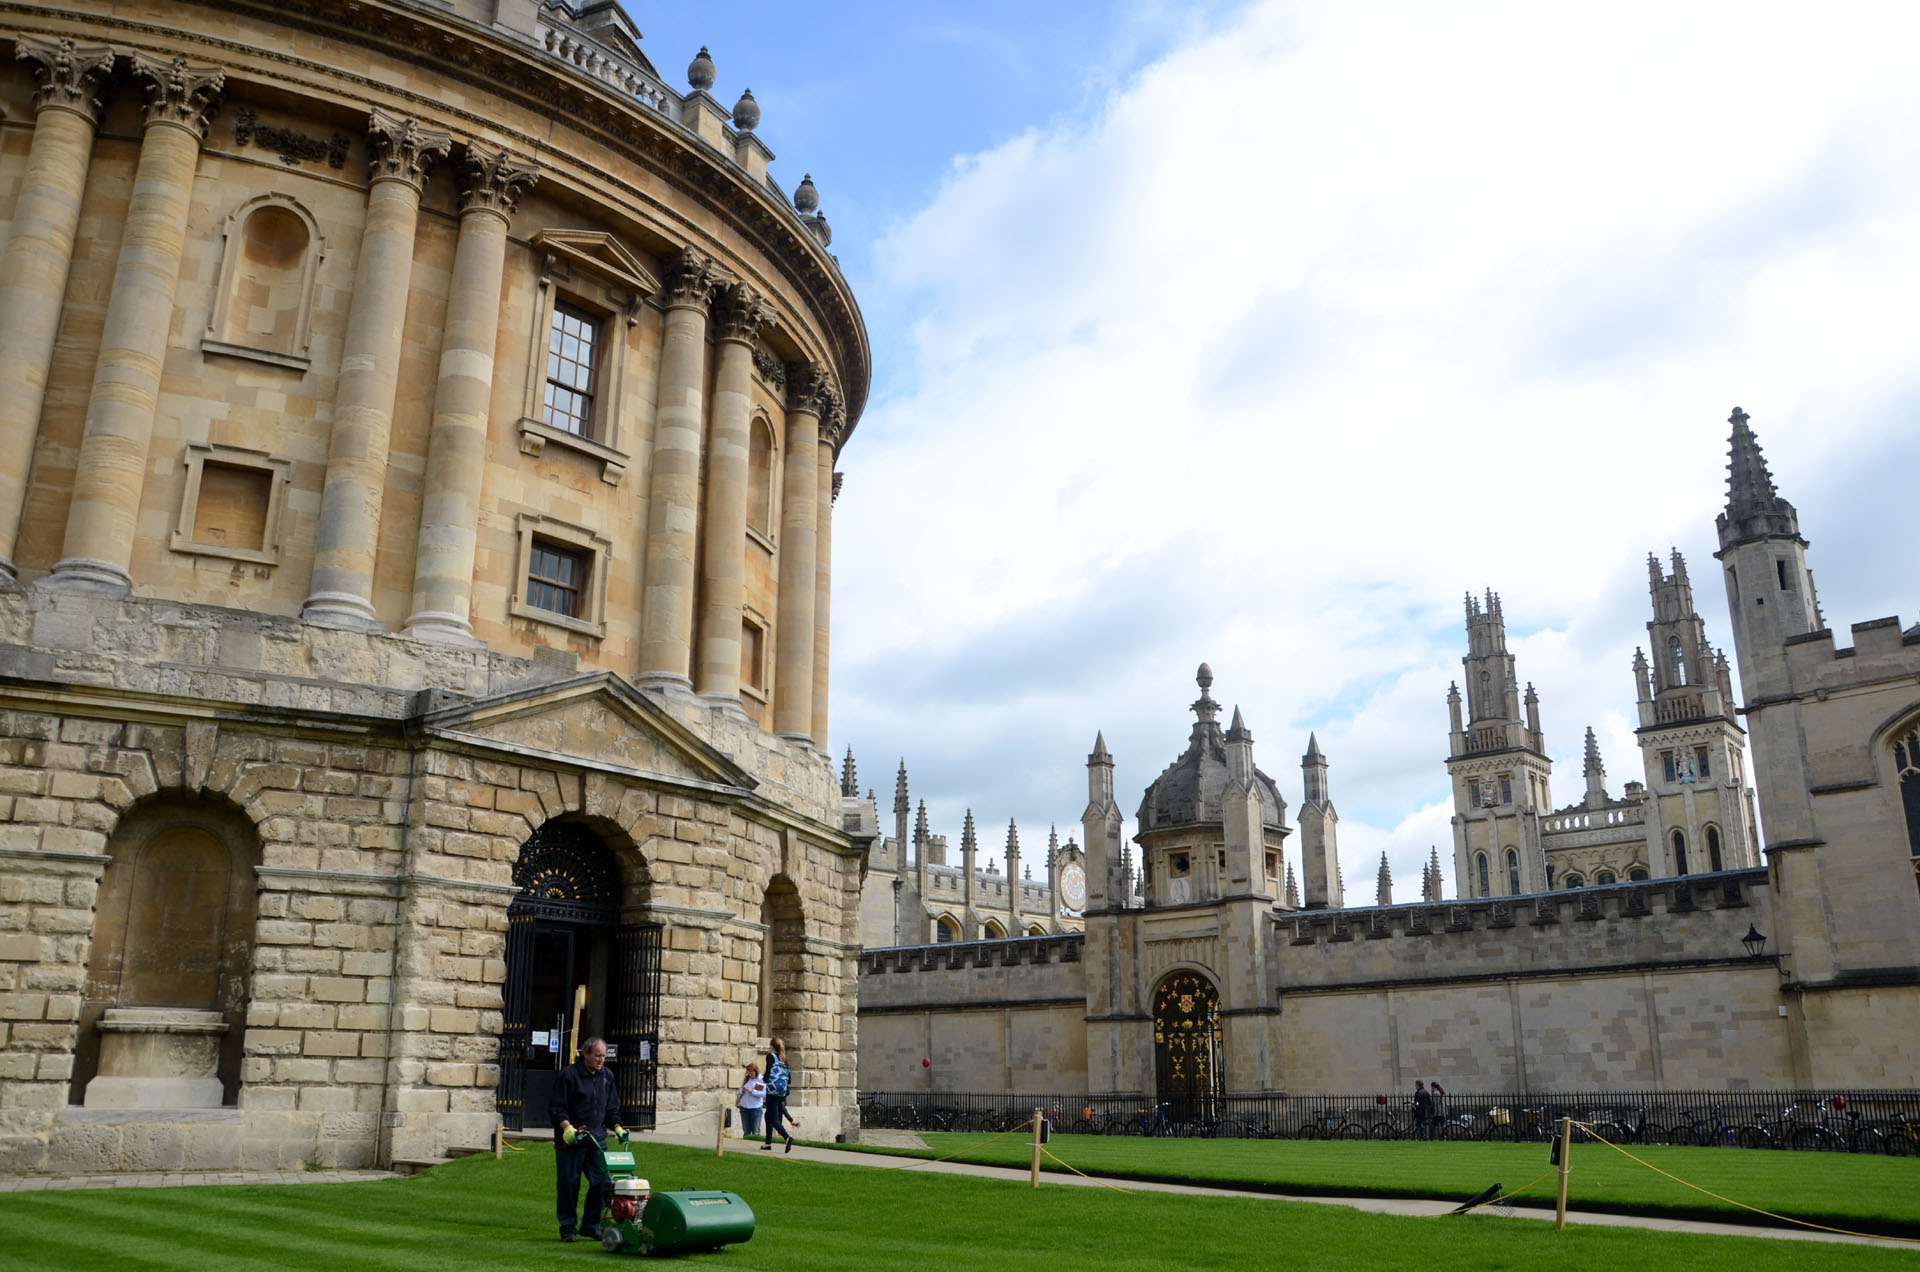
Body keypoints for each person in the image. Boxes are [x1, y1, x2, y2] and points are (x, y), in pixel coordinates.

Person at [550, 1036, 624, 1243]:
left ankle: (590, 1226)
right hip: (572, 1140)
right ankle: (568, 1228)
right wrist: (567, 1127)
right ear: (585, 1054)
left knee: (603, 1183)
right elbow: (557, 1107)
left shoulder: (607, 1076)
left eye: (603, 1056)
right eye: (597, 1055)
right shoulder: (568, 1076)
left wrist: (617, 1127)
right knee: (569, 1184)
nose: (601, 1060)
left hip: (596, 1140)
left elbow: (611, 1108)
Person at [760, 1037, 796, 1153]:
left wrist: (764, 1080)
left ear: (772, 1047)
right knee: (768, 1116)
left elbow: (768, 1071)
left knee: (774, 1119)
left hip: (772, 1092)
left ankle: (787, 1137)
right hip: (781, 1092)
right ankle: (767, 1143)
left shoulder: (770, 1056)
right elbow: (789, 1078)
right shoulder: (784, 1059)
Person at [737, 1062, 766, 1140]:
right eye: (749, 1072)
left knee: (755, 1131)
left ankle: (754, 1146)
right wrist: (742, 1090)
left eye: (752, 1072)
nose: (750, 1074)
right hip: (744, 1106)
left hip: (756, 1107)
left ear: (756, 1071)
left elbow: (764, 1094)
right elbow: (739, 1090)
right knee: (746, 1131)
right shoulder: (746, 1078)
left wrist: (752, 1091)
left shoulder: (761, 1079)